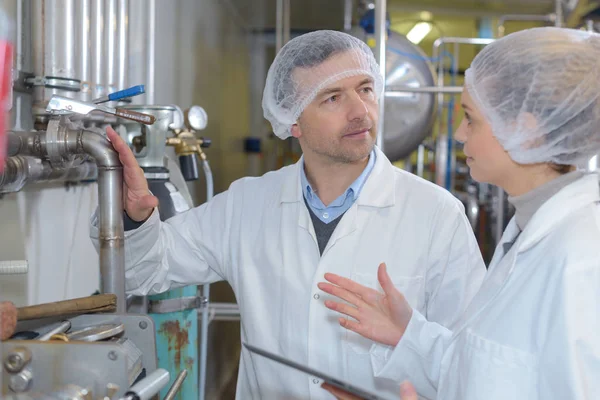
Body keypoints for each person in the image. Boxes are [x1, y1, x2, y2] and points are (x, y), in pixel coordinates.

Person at [91, 30, 485, 399]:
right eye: (332, 97)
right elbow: (143, 272)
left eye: (365, 89)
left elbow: (472, 357)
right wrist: (132, 219)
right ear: (292, 120)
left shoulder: (436, 214)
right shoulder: (247, 205)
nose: (360, 111)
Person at [319, 26, 600, 400]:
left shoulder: (583, 259)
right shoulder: (530, 231)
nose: (459, 133)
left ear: (526, 131)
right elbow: (488, 371)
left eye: (471, 118)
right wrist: (408, 334)